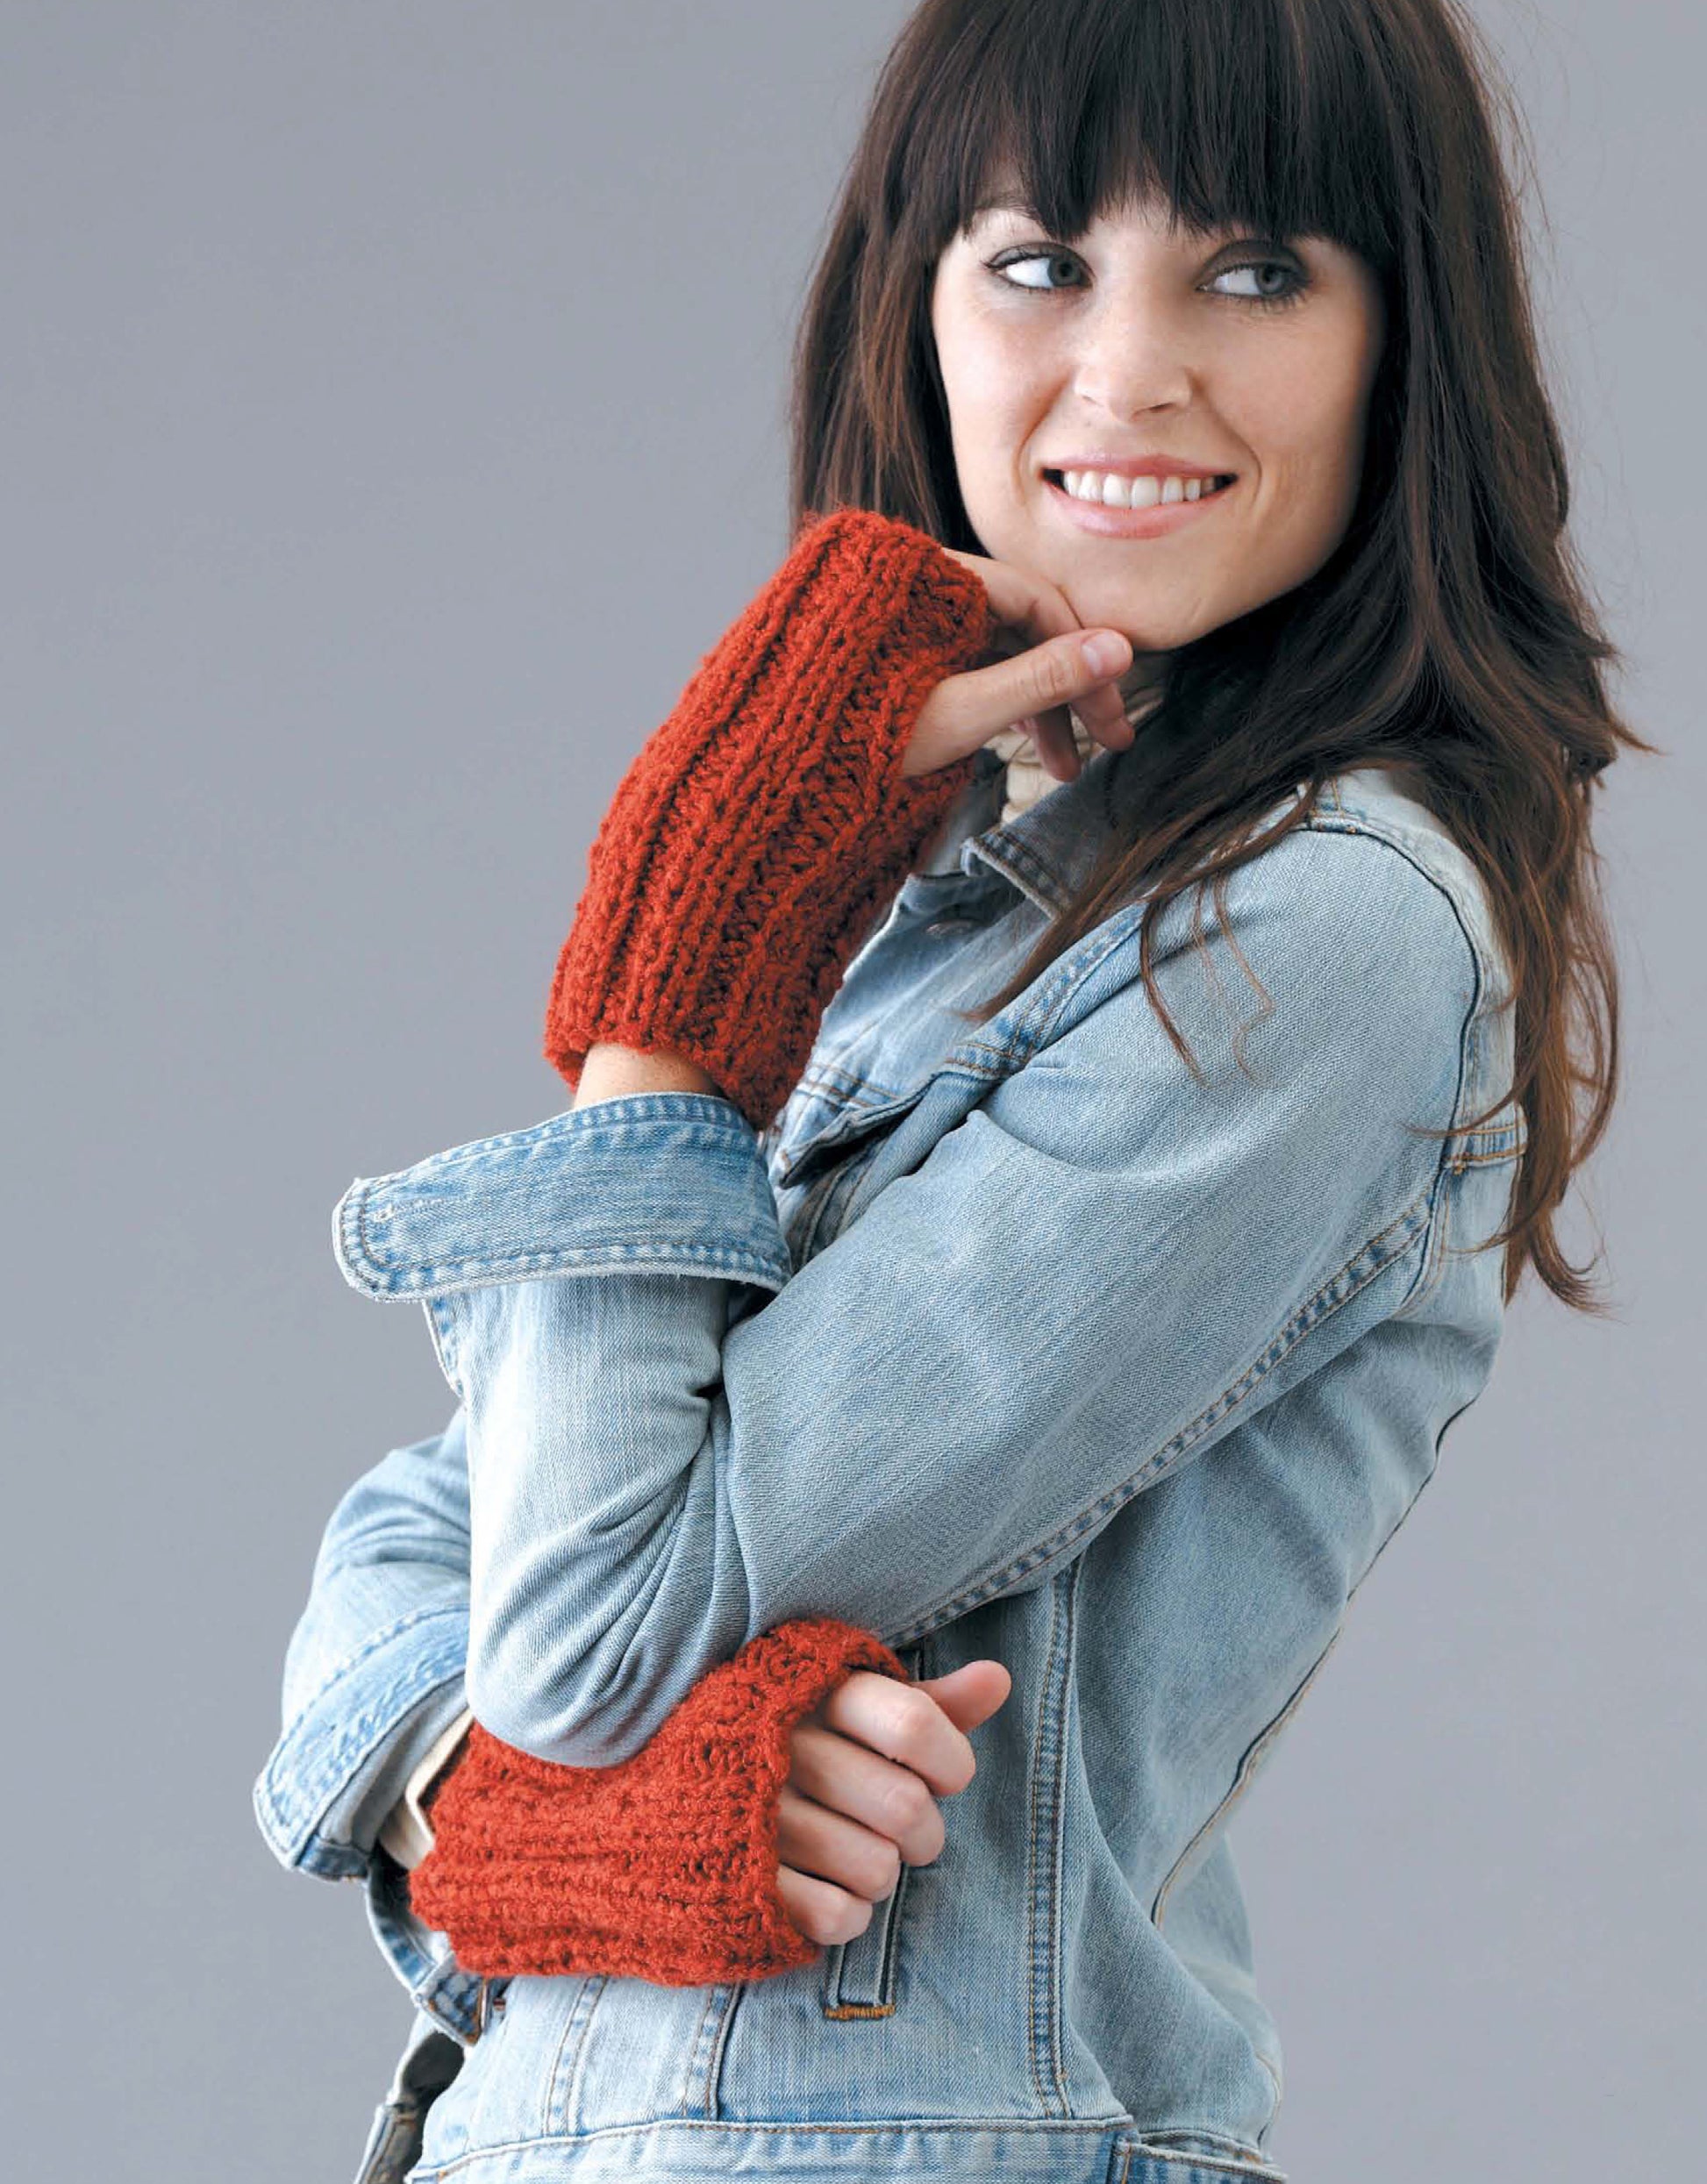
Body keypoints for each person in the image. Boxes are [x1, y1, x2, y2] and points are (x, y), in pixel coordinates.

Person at [254, 3, 1643, 2179]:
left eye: (1254, 270)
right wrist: (495, 1807)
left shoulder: (1321, 941)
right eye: (1036, 260)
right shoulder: (949, 909)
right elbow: (422, 1541)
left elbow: (589, 1627)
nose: (1129, 369)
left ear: (1402, 341)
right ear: (916, 300)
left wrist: (684, 965)